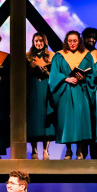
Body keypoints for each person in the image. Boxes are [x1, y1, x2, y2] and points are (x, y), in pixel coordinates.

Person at [49, 31, 97, 160]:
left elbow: (92, 75)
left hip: (81, 91)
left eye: (75, 40)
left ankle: (80, 150)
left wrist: (84, 78)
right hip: (66, 91)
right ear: (66, 41)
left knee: (80, 120)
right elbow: (53, 74)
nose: (72, 43)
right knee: (67, 121)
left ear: (79, 41)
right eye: (69, 41)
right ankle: (69, 150)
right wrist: (66, 78)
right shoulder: (59, 56)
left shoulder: (86, 56)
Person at [26, 32, 55, 160]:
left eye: (41, 41)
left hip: (46, 87)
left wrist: (47, 72)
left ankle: (46, 150)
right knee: (33, 119)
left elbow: (55, 74)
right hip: (32, 88)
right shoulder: (28, 56)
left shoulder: (51, 56)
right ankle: (34, 150)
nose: (38, 43)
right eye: (36, 41)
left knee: (46, 119)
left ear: (45, 42)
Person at [82, 27, 97, 159]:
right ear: (83, 38)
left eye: (94, 37)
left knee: (96, 121)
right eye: (89, 37)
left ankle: (95, 152)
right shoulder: (79, 53)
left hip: (96, 91)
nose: (91, 40)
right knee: (83, 121)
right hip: (83, 90)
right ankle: (82, 152)